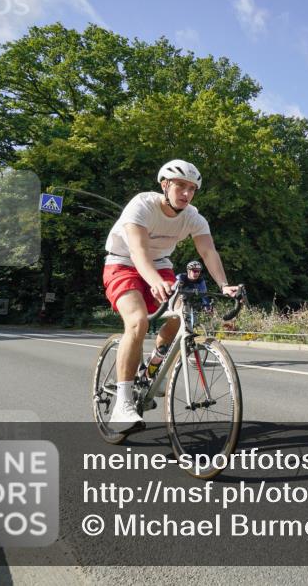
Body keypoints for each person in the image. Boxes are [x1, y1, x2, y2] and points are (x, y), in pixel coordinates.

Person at [103, 160, 240, 432]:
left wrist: (225, 285)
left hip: (161, 265)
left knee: (181, 314)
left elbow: (208, 252)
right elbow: (138, 252)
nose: (187, 193)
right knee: (138, 322)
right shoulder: (142, 205)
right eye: (180, 186)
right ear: (165, 185)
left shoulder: (193, 217)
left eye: (192, 189)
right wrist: (154, 282)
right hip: (123, 263)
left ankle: (153, 367)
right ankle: (123, 403)